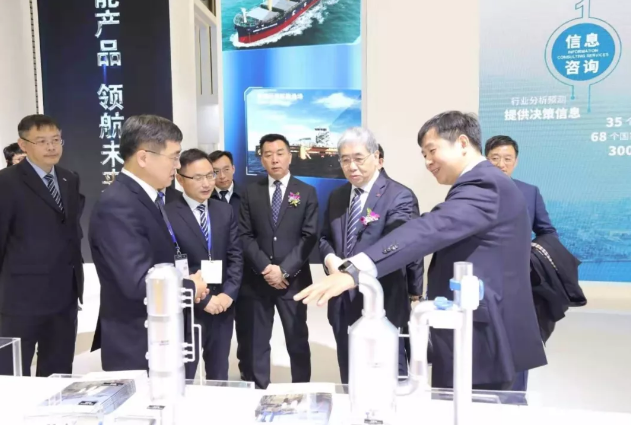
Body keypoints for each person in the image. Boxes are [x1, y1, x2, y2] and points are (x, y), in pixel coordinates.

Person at [296, 111, 547, 390]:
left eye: (432, 151)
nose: (427, 162)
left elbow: (428, 230)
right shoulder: (478, 183)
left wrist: (354, 270)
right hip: (477, 330)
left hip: (487, 336)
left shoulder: (484, 184)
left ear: (462, 143)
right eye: (424, 155)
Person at [89, 115, 208, 371]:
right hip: (139, 342)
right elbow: (136, 282)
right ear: (144, 157)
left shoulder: (150, 197)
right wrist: (190, 287)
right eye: (173, 157)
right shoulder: (118, 204)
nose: (177, 166)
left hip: (162, 334)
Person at [320, 128, 420, 384]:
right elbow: (324, 238)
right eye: (345, 160)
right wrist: (330, 260)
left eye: (358, 158)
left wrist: (416, 293)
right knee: (350, 375)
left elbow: (403, 247)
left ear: (377, 157)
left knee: (388, 377)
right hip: (342, 302)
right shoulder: (337, 196)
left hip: (383, 302)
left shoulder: (399, 196)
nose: (351, 166)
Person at [0, 114, 84, 376]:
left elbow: (71, 232)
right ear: (23, 145)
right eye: (42, 141)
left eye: (55, 140)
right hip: (20, 300)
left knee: (58, 372)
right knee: (13, 373)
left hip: (64, 297)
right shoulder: (6, 182)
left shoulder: (69, 179)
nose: (51, 147)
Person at [238, 133, 318, 389]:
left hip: (293, 282)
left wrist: (284, 270)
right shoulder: (250, 192)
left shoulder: (306, 192)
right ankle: (259, 389)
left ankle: (301, 389)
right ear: (261, 159)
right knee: (257, 342)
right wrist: (266, 268)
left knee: (297, 340)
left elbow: (309, 236)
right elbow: (244, 235)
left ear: (289, 156)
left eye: (280, 153)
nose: (274, 159)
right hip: (257, 280)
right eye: (268, 154)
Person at [165, 149, 243, 380]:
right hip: (188, 308)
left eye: (210, 175)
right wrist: (204, 300)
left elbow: (235, 255)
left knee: (219, 374)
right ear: (180, 179)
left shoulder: (224, 210)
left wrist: (228, 295)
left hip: (222, 307)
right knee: (185, 374)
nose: (207, 183)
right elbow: (170, 263)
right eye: (198, 177)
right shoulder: (167, 213)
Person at [485, 135, 557, 237]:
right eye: (495, 158)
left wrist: (535, 247)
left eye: (507, 159)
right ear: (485, 161)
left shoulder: (531, 193)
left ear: (515, 162)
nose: (501, 164)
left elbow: (548, 232)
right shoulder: (471, 191)